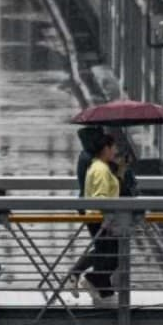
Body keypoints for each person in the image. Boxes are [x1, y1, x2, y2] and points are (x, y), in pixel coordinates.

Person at [64, 126, 105, 297]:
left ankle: (95, 282)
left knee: (105, 247)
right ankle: (81, 276)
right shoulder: (91, 159)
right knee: (106, 248)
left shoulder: (86, 156)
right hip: (93, 209)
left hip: (89, 208)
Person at [81, 133, 120, 308]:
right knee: (112, 255)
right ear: (106, 149)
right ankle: (95, 281)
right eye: (113, 147)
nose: (115, 151)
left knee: (107, 255)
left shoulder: (98, 166)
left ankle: (105, 292)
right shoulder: (101, 170)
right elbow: (101, 197)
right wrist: (108, 219)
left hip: (97, 218)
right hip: (101, 219)